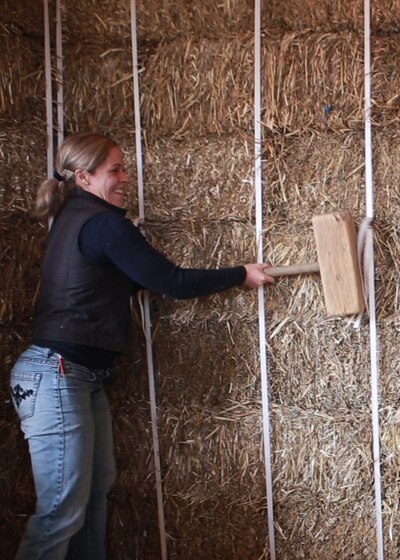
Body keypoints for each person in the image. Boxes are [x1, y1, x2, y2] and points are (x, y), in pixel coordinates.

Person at [9, 132, 275, 560]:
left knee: (94, 494)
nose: (125, 178)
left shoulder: (75, 220)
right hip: (58, 373)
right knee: (61, 509)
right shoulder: (101, 224)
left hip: (75, 376)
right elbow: (170, 281)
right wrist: (240, 273)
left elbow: (131, 279)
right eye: (115, 170)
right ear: (84, 177)